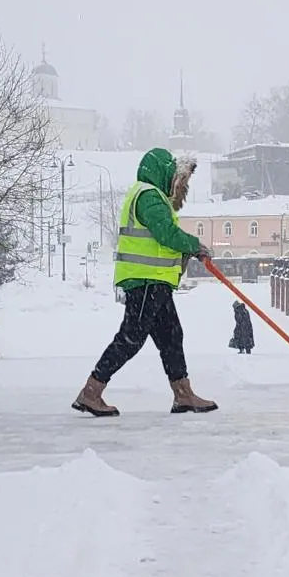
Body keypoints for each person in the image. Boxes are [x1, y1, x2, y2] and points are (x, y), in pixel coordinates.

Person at [73, 147, 218, 417]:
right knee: (131, 337)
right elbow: (166, 233)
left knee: (171, 336)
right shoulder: (148, 196)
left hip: (156, 282)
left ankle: (183, 395)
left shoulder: (153, 197)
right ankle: (91, 392)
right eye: (171, 172)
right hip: (144, 281)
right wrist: (194, 245)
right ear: (161, 170)